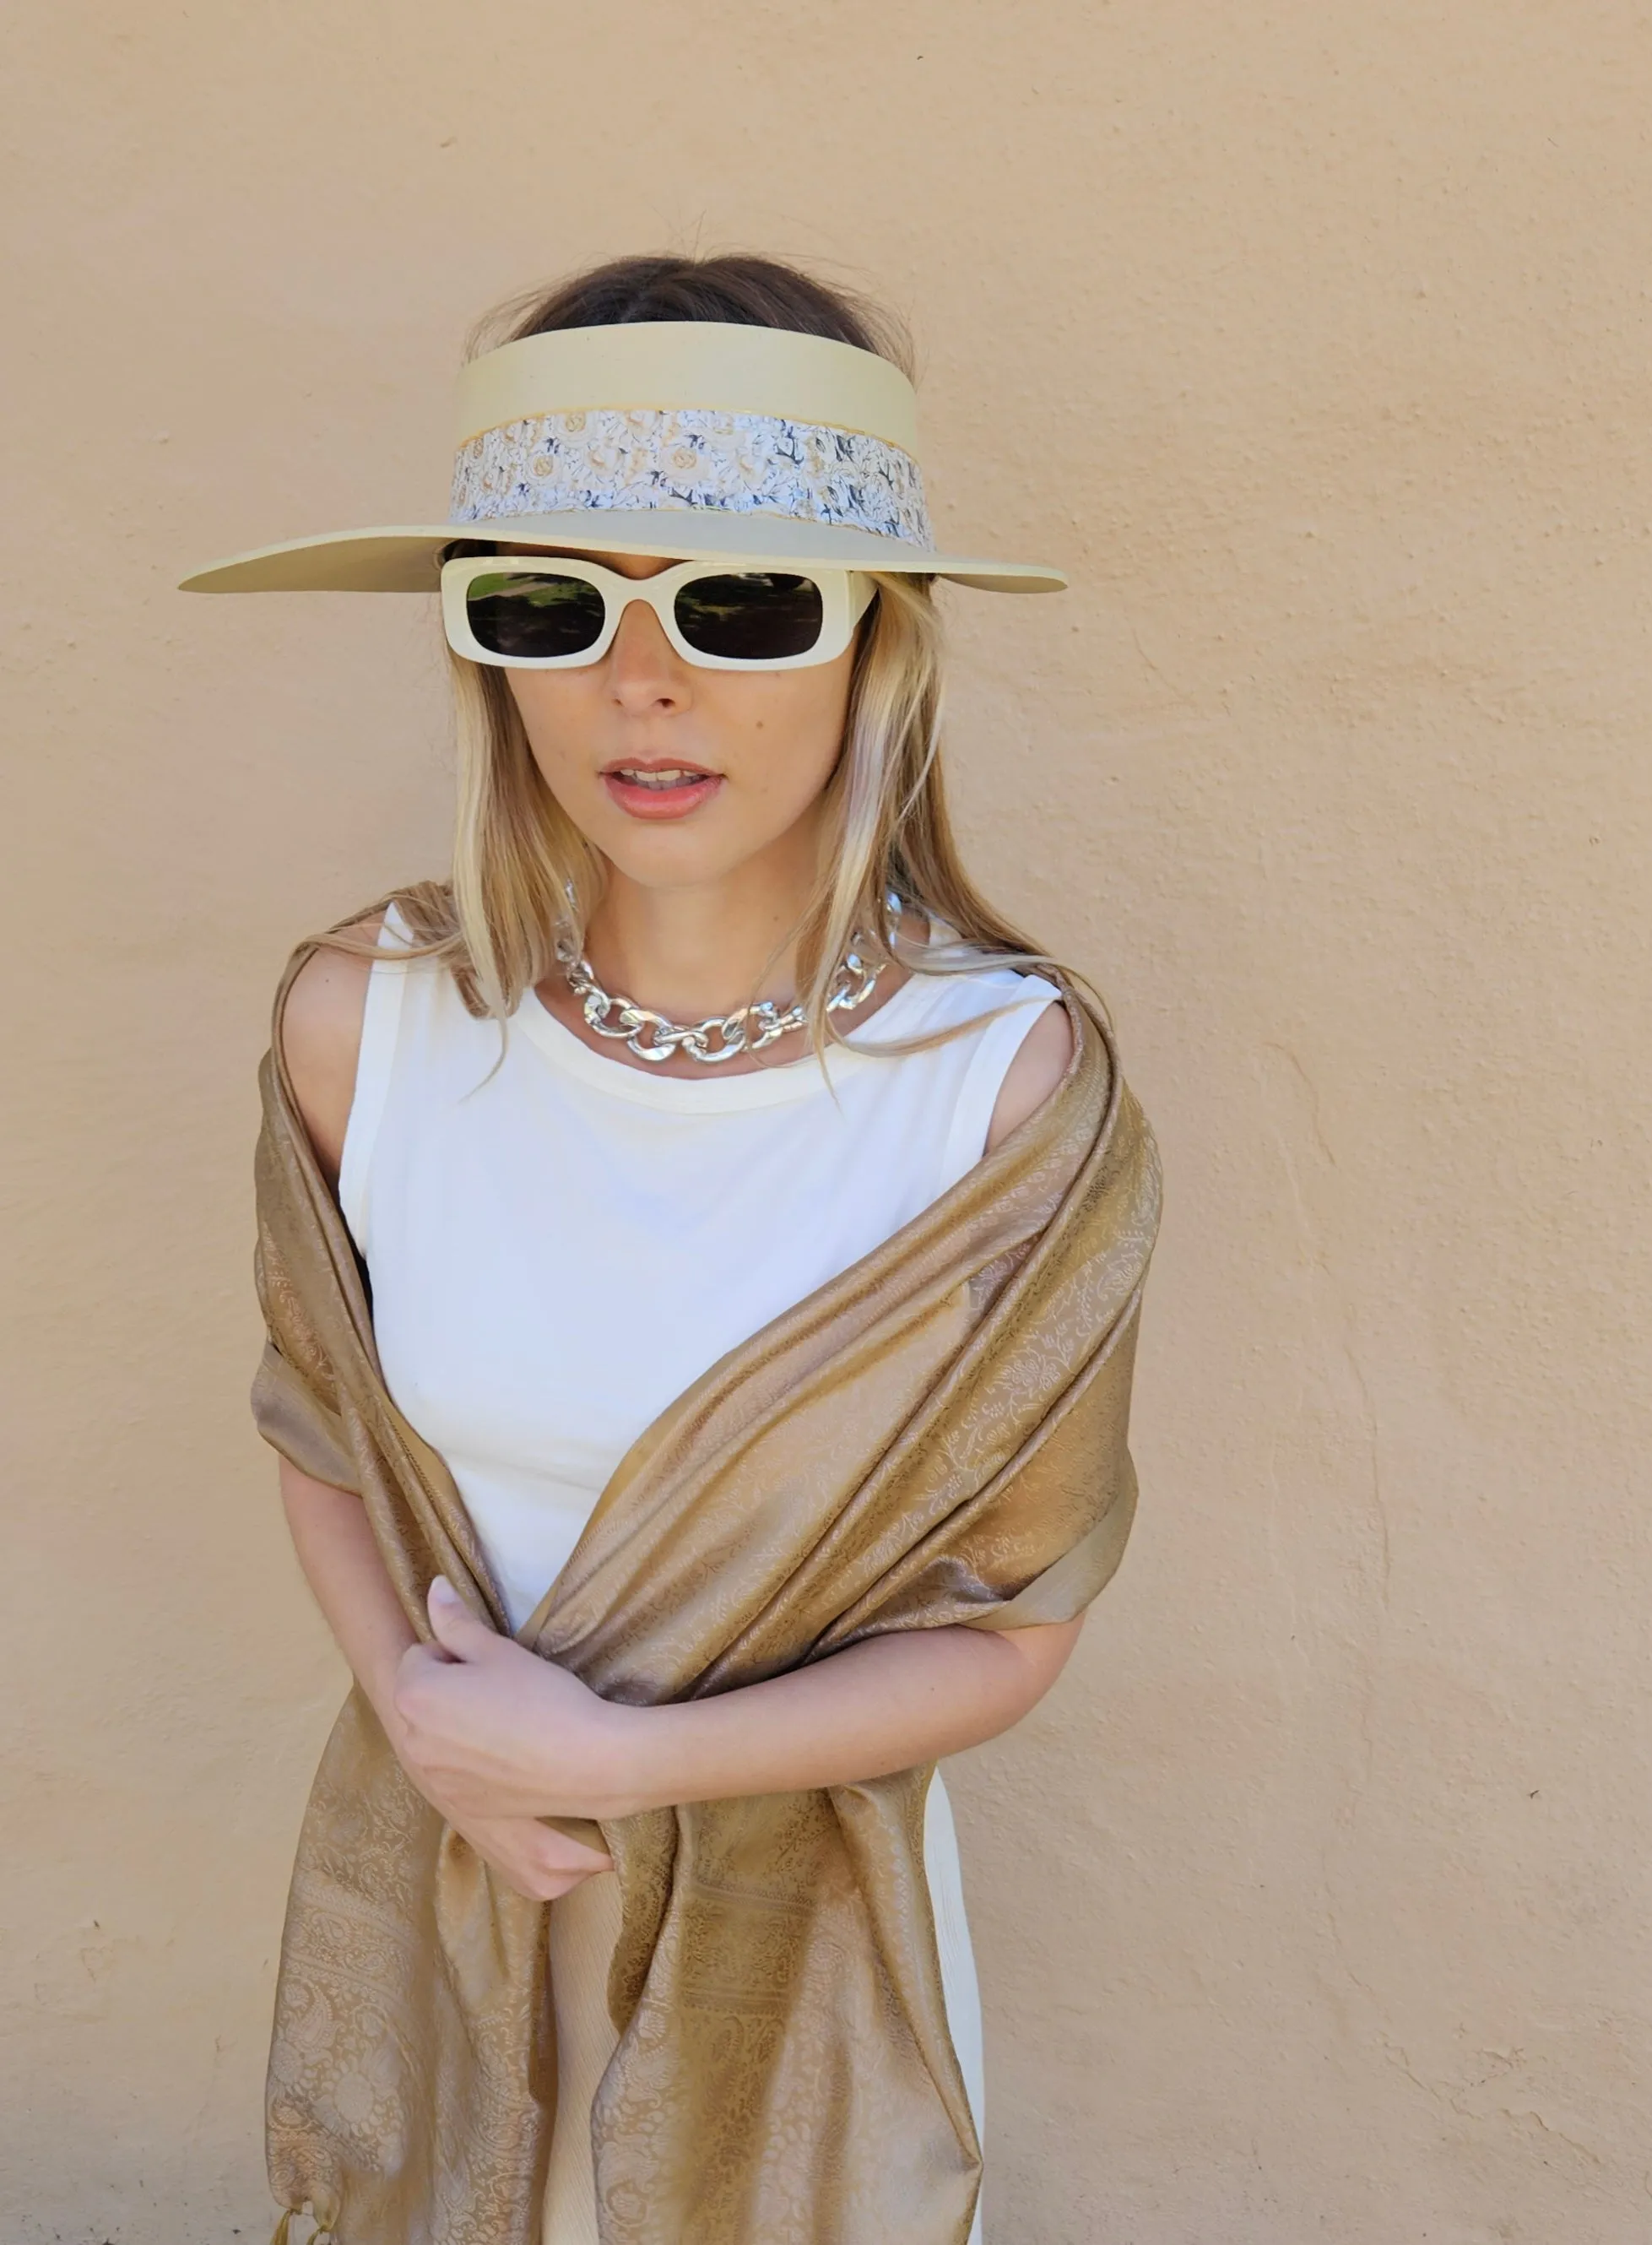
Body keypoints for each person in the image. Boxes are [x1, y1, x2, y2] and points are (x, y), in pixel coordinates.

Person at [184, 253, 1159, 2245]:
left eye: (741, 605)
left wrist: (625, 1757)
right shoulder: (363, 1026)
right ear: (485, 654)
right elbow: (322, 1430)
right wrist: (435, 1728)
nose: (648, 683)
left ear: (875, 647)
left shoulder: (993, 1089)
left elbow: (1010, 1629)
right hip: (455, 1910)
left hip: (791, 1980)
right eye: (553, 601)